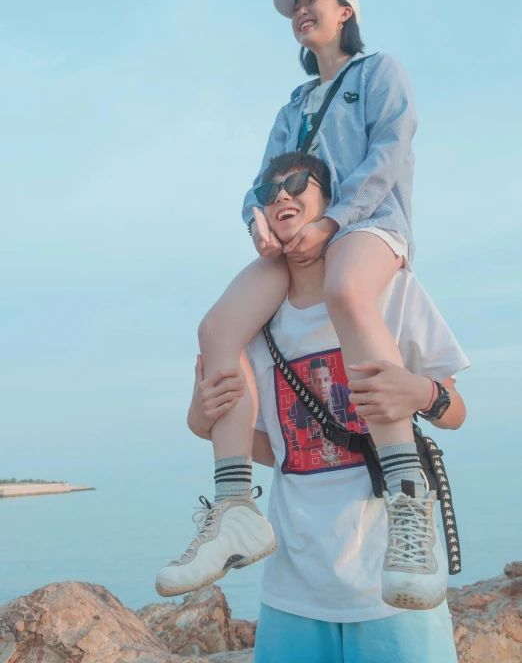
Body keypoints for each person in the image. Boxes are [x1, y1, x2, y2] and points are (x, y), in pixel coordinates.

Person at [158, 0, 440, 606]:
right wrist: (257, 222)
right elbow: (261, 181)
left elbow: (392, 149)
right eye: (293, 7)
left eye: (314, 0)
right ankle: (235, 508)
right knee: (218, 328)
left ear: (346, 12)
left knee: (345, 286)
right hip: (296, 238)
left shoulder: (378, 71)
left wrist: (333, 221)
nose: (300, 11)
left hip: (365, 224)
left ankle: (405, 496)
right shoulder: (292, 105)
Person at [174, 153, 467, 662]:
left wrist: (423, 393)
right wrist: (202, 425)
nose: (281, 195)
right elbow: (277, 448)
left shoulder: (384, 293)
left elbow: (455, 411)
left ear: (330, 202)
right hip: (293, 590)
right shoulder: (252, 327)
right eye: (268, 194)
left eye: (295, 184)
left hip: (394, 583)